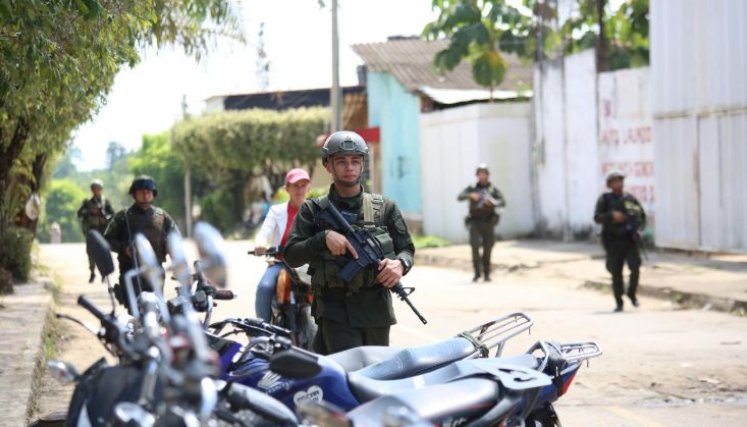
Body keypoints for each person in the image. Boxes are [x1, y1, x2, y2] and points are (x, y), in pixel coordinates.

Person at [284, 130, 415, 354]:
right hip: (335, 310)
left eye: (355, 161)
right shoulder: (313, 210)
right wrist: (322, 239)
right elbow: (292, 255)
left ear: (363, 165)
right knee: (348, 375)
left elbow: (407, 249)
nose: (350, 167)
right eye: (341, 161)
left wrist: (400, 265)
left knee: (376, 376)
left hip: (377, 310)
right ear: (328, 165)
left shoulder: (385, 208)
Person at [104, 175, 178, 313]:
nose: (145, 196)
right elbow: (107, 240)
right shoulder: (123, 216)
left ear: (153, 194)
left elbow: (176, 241)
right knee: (136, 314)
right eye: (141, 192)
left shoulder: (162, 216)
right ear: (134, 194)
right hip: (131, 272)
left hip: (156, 272)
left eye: (148, 192)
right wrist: (124, 248)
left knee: (157, 312)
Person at [252, 168, 311, 322]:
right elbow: (264, 233)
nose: (300, 189)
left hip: (307, 265)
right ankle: (261, 332)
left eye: (303, 185)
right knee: (265, 287)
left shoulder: (316, 210)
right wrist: (260, 243)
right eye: (295, 186)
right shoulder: (276, 211)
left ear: (308, 188)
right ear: (287, 189)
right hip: (280, 263)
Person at [593, 171, 647, 312]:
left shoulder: (630, 199)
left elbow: (641, 217)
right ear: (609, 184)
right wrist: (611, 215)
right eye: (614, 181)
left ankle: (631, 293)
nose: (618, 184)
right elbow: (597, 218)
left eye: (620, 181)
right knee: (616, 272)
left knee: (635, 267)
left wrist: (638, 231)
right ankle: (619, 302)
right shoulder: (605, 199)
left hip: (629, 240)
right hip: (612, 241)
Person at [457, 164, 506, 282]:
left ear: (488, 175)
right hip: (474, 221)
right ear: (477, 175)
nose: (482, 176)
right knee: (474, 246)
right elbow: (460, 197)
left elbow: (502, 202)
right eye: (480, 173)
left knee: (488, 247)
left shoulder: (493, 190)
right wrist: (471, 195)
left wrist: (492, 202)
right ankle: (477, 273)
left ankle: (487, 273)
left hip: (488, 221)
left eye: (484, 173)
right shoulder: (472, 187)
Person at [77, 179, 114, 282]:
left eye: (98, 188)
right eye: (94, 189)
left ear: (101, 189)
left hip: (102, 230)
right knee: (91, 252)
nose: (95, 190)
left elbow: (112, 214)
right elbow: (79, 214)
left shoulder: (105, 201)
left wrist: (105, 217)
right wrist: (90, 211)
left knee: (103, 252)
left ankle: (104, 273)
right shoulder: (87, 202)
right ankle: (92, 272)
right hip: (91, 230)